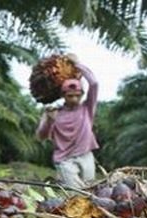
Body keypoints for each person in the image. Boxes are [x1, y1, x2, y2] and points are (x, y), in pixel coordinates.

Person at [36, 53, 100, 189]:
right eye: (70, 96)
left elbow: (94, 83)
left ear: (82, 95)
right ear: (63, 95)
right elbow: (41, 136)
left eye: (77, 96)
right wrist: (48, 119)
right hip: (65, 160)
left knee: (90, 191)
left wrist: (76, 64)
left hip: (86, 155)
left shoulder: (87, 109)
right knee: (75, 194)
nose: (74, 99)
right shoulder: (55, 113)